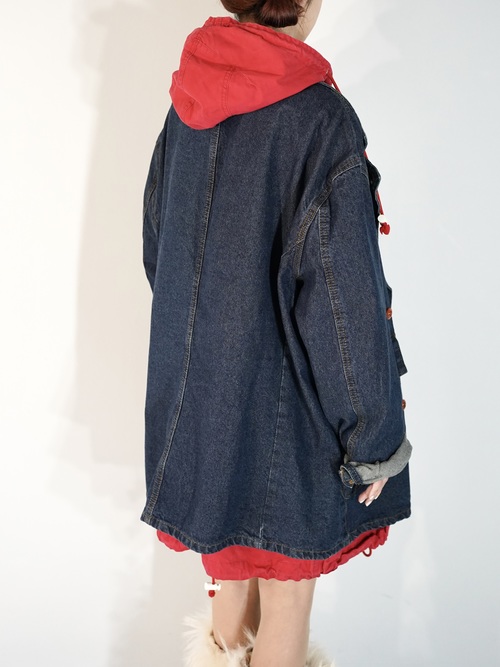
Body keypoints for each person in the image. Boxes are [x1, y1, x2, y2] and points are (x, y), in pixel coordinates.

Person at [141, 1, 412, 665]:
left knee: (230, 578)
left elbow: (160, 251)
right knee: (287, 599)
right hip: (291, 421)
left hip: (202, 408)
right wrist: (372, 437)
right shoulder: (320, 118)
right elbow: (342, 300)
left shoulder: (186, 102)